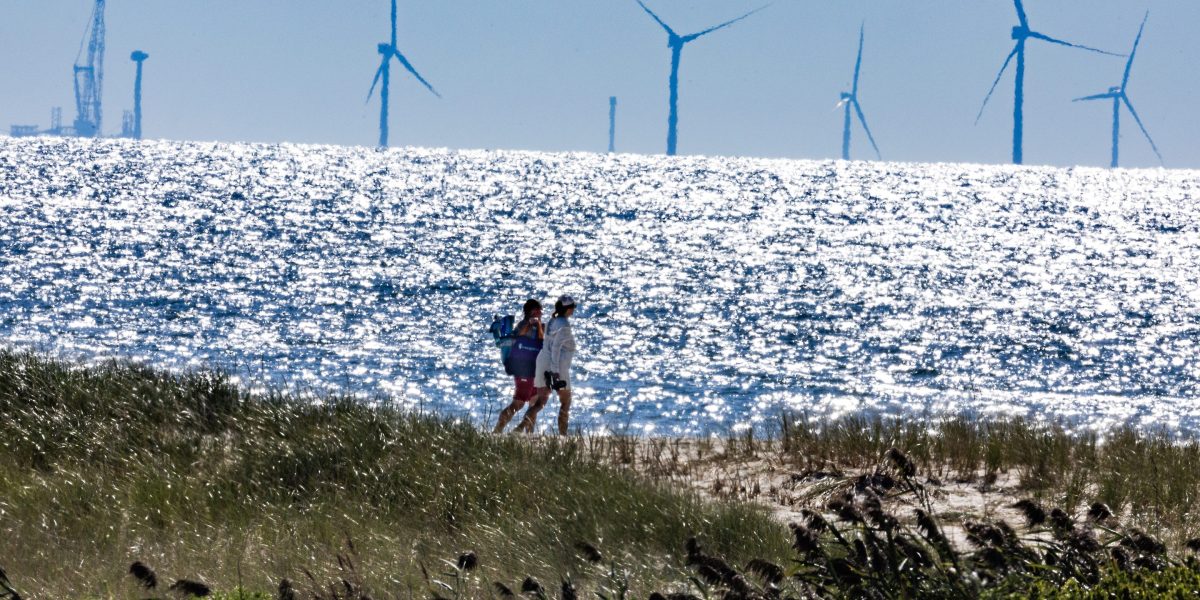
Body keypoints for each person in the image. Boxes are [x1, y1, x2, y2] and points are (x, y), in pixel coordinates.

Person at [518, 295, 577, 435]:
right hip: (557, 365)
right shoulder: (564, 326)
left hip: (542, 360)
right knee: (566, 402)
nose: (574, 310)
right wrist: (555, 371)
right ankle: (563, 437)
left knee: (540, 402)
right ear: (568, 309)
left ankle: (518, 429)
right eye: (573, 307)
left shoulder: (552, 320)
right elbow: (556, 348)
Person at [493, 299, 544, 433]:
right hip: (524, 372)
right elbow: (517, 337)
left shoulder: (537, 326)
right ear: (532, 312)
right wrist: (532, 324)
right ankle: (497, 431)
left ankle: (529, 435)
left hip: (533, 371)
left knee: (534, 402)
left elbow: (542, 341)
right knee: (518, 403)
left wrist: (538, 325)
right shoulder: (523, 325)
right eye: (538, 311)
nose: (541, 314)